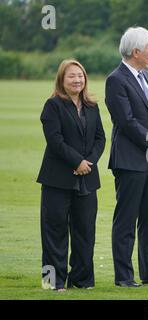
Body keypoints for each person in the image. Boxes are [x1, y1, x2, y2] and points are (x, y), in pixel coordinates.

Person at [105, 27, 148, 287]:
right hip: (130, 160)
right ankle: (124, 277)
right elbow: (126, 121)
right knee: (126, 221)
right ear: (136, 51)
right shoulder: (116, 79)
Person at [37, 59, 106, 291]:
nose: (77, 80)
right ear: (61, 80)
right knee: (54, 232)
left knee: (85, 231)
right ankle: (53, 282)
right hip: (57, 178)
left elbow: (100, 139)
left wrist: (88, 163)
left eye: (80, 76)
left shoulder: (92, 106)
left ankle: (82, 280)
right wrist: (76, 161)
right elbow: (55, 140)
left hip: (87, 178)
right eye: (71, 76)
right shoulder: (52, 105)